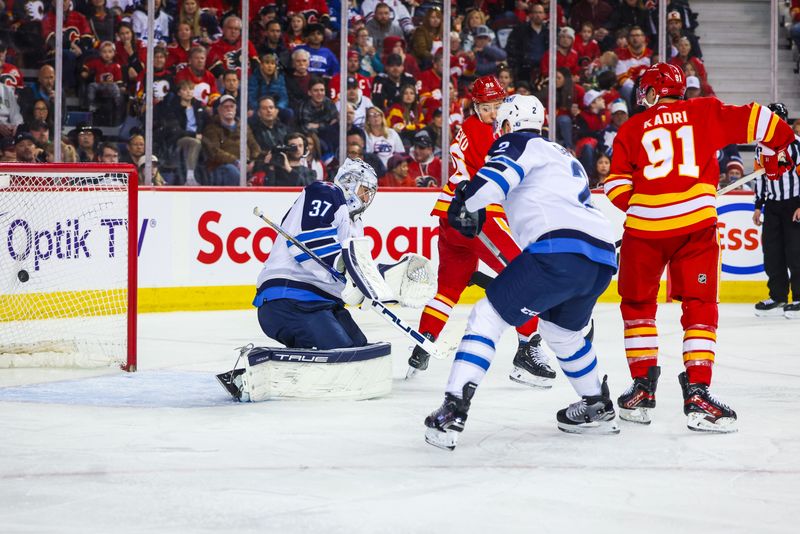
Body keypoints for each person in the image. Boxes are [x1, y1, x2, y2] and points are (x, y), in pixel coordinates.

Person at [604, 63, 795, 433]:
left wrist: (646, 205)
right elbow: (763, 120)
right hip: (695, 228)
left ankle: (642, 389)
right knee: (700, 306)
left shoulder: (630, 127)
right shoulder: (704, 110)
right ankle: (698, 394)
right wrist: (780, 147)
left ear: (654, 92)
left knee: (638, 305)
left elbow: (614, 187)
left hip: (643, 232)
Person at [424, 94, 620, 450]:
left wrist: (465, 203)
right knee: (562, 334)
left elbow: (495, 181)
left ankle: (453, 409)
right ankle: (596, 404)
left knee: (487, 314)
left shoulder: (516, 141)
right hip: (600, 256)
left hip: (557, 250)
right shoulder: (561, 152)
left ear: (508, 123)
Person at [408, 75, 549, 386]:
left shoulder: (474, 128)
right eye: (487, 107)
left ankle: (423, 343)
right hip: (476, 214)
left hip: (450, 217)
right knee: (523, 271)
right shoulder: (485, 131)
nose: (493, 112)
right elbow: (502, 177)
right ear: (475, 107)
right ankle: (528, 349)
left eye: (498, 105)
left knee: (448, 288)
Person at [253, 158, 378, 349]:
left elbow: (354, 268)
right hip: (290, 297)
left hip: (323, 303)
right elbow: (311, 242)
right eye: (365, 190)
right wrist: (346, 268)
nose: (367, 198)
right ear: (350, 182)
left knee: (359, 346)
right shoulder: (325, 191)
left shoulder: (355, 224)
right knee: (341, 351)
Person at [752, 103, 800, 319]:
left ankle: (799, 298)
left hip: (794, 205)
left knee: (795, 253)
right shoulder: (760, 147)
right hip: (772, 206)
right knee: (772, 254)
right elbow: (760, 178)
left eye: (778, 119)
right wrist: (757, 206)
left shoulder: (796, 145)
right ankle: (778, 296)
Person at [201, 94, 261, 186]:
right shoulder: (212, 128)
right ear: (219, 109)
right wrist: (235, 162)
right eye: (226, 107)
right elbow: (214, 152)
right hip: (222, 167)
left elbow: (254, 146)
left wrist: (253, 162)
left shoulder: (244, 126)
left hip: (246, 165)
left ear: (236, 109)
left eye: (232, 106)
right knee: (232, 171)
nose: (229, 109)